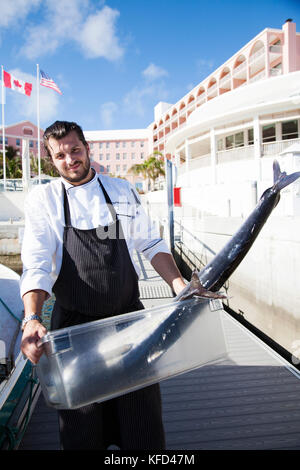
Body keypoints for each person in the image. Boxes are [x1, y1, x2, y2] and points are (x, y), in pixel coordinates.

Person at [20, 120, 187, 450]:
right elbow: (37, 264)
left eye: (75, 150)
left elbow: (150, 243)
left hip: (129, 326)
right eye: (60, 156)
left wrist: (178, 283)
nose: (70, 160)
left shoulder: (119, 190)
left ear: (87, 148)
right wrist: (31, 318)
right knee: (82, 430)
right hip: (74, 333)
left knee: (143, 427)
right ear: (52, 160)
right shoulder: (45, 199)